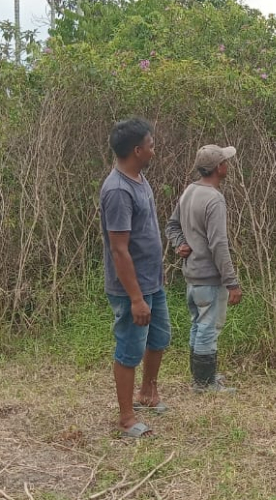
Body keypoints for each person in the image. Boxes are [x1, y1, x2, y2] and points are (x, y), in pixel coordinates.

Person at [100, 118, 171, 438]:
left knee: (159, 339)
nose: (154, 149)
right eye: (151, 144)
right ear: (137, 150)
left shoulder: (140, 179)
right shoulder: (117, 190)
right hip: (133, 289)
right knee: (129, 349)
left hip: (152, 281)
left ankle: (148, 393)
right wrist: (136, 298)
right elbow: (119, 250)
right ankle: (127, 418)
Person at [165, 144, 242, 393]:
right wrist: (232, 282)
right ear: (219, 167)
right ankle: (204, 384)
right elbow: (219, 245)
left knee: (198, 324)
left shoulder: (189, 191)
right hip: (209, 277)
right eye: (226, 162)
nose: (228, 166)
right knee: (209, 326)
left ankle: (202, 377)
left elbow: (171, 226)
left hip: (192, 275)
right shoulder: (214, 199)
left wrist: (180, 244)